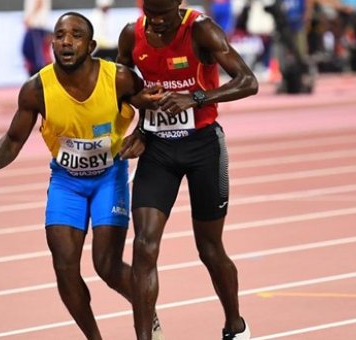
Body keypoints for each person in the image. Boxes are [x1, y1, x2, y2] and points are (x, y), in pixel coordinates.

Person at [0, 12, 163, 340]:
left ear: (91, 45)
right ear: (52, 42)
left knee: (107, 266)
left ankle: (146, 311)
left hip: (109, 178)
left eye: (75, 35)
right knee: (64, 269)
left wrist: (142, 134)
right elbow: (14, 139)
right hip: (66, 182)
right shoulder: (36, 89)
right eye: (59, 35)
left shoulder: (118, 78)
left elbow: (150, 103)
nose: (66, 41)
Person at [116, 0, 258, 339]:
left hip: (203, 148)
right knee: (144, 246)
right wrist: (140, 124)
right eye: (151, 16)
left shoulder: (201, 30)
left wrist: (196, 98)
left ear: (179, 6)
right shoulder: (130, 35)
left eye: (164, 17)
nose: (157, 24)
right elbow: (121, 86)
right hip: (158, 149)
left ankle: (235, 325)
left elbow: (248, 81)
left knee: (209, 249)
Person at [22, 0, 53, 76]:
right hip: (35, 26)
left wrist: (30, 17)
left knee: (38, 57)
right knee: (35, 55)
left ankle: (40, 78)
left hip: (37, 25)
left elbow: (39, 2)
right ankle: (37, 77)